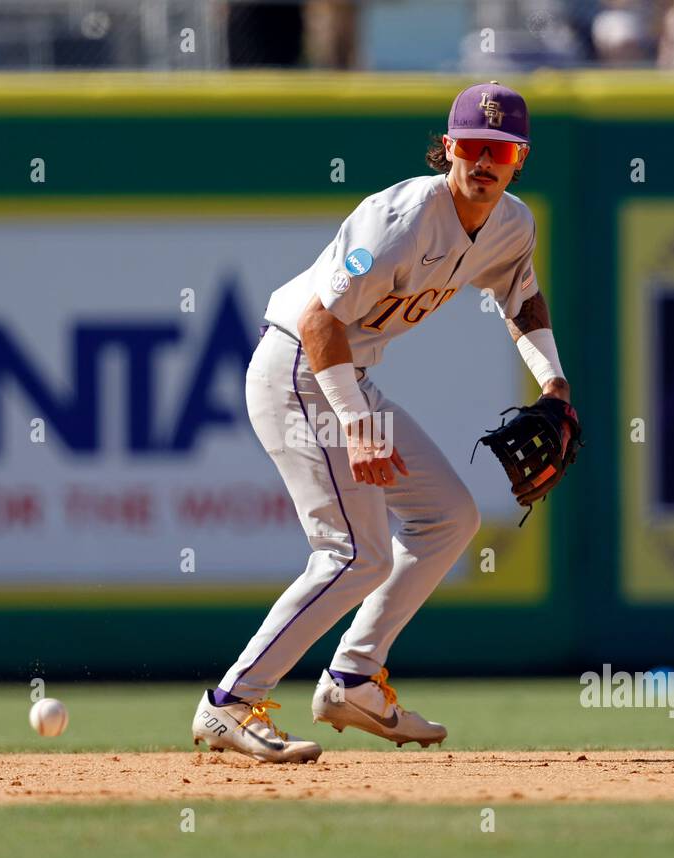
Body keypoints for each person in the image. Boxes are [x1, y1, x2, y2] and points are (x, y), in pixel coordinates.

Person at [192, 82, 572, 763]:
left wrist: (555, 384)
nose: (485, 162)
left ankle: (354, 680)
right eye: (473, 147)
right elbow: (317, 323)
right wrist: (359, 427)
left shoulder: (512, 223)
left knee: (449, 516)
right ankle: (229, 703)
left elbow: (523, 297)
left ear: (521, 158)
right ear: (449, 148)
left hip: (347, 377)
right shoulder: (397, 218)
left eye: (502, 150)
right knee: (353, 553)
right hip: (297, 372)